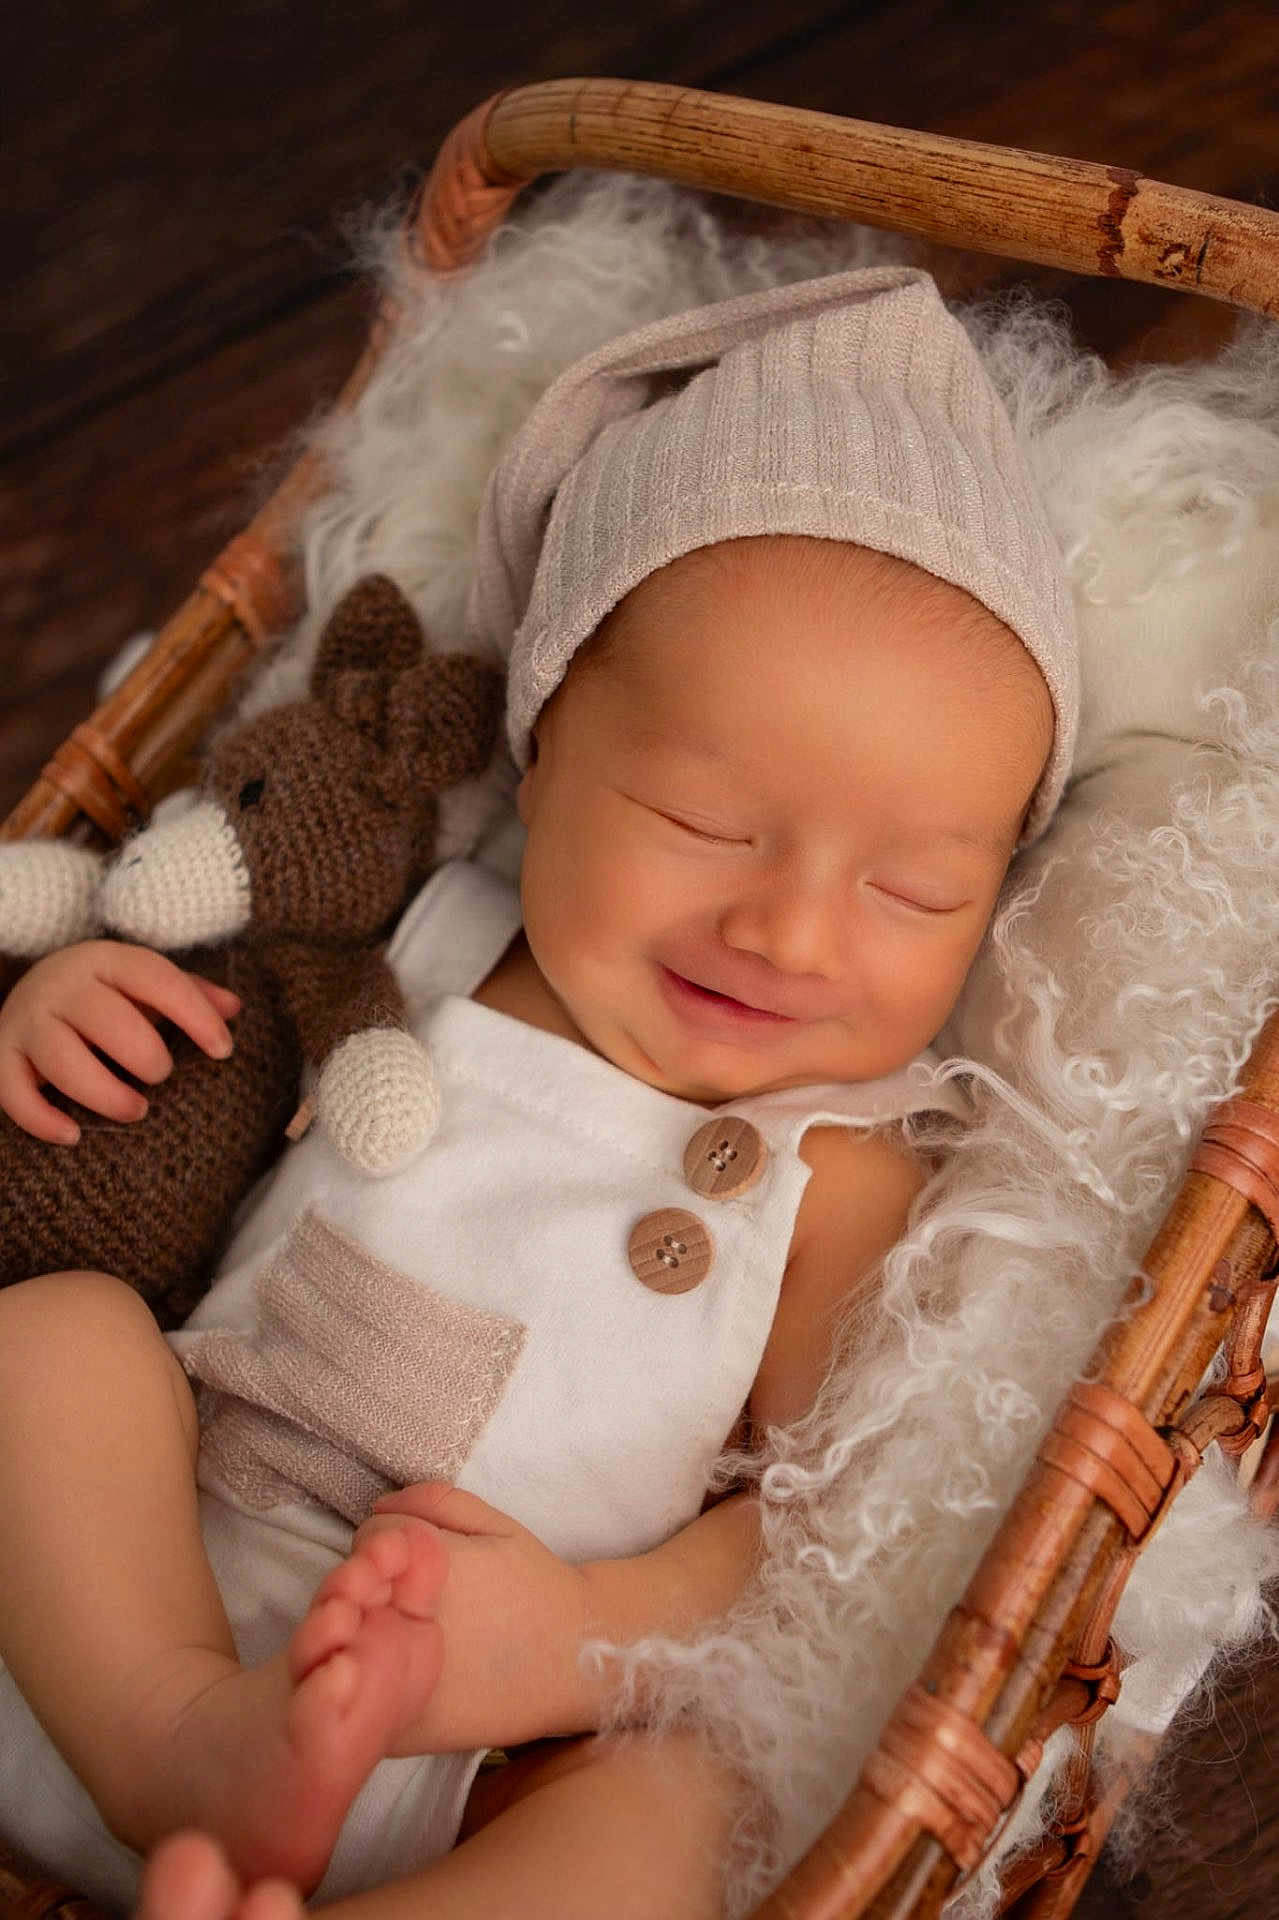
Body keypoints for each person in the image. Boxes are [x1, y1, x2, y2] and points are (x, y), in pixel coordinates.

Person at [0, 264, 1076, 1920]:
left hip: (481, 1753)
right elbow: (183, 1082)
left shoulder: (841, 1171)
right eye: (710, 824)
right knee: (48, 1340)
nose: (786, 928)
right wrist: (76, 1005)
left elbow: (821, 1538)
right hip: (117, 1602)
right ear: (543, 738)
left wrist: (564, 1643)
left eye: (916, 892)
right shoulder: (416, 933)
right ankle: (181, 1748)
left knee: (681, 1810)